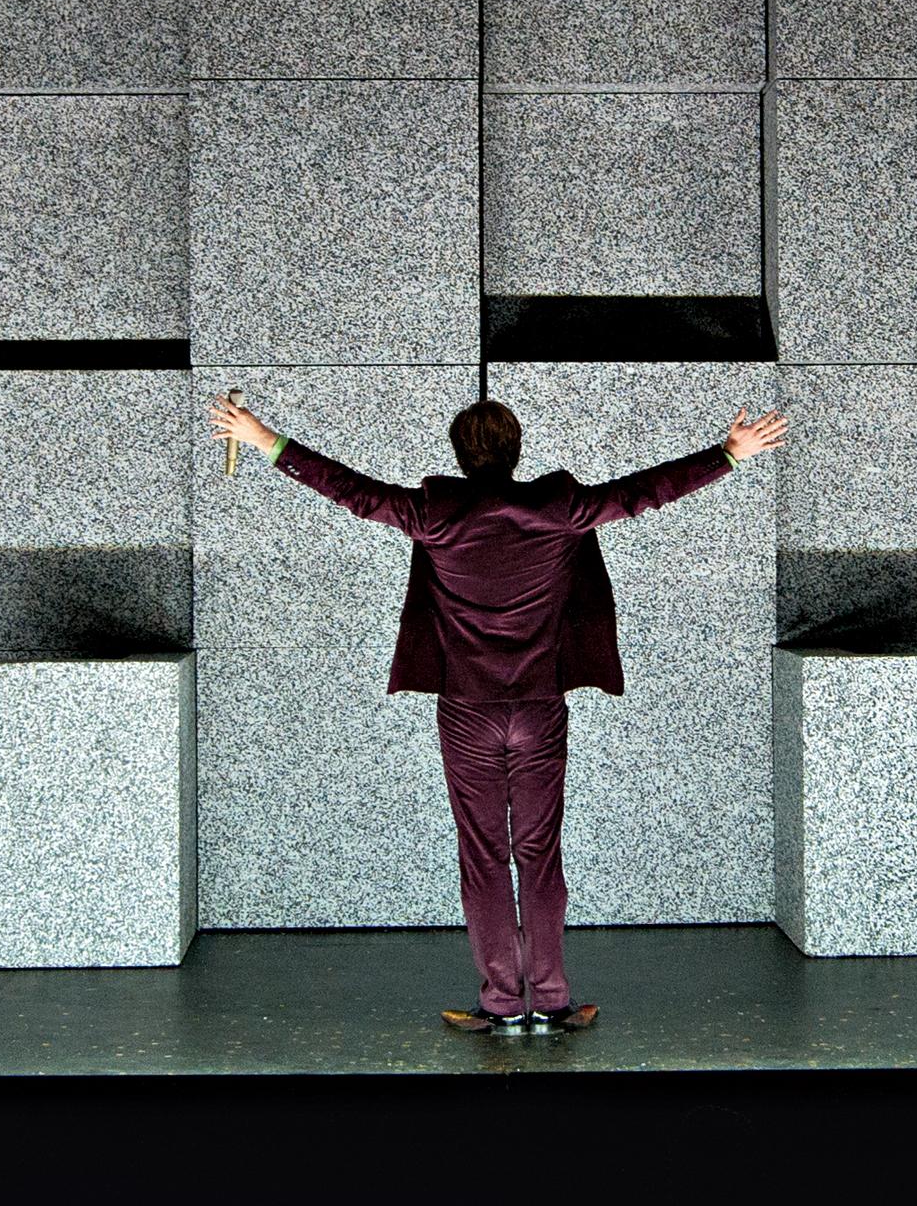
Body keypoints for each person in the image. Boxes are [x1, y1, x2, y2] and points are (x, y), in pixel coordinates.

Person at [207, 388, 784, 1036]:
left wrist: (264, 440)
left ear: (460, 455)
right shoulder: (559, 507)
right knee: (538, 852)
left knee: (484, 854)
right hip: (538, 710)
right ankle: (553, 999)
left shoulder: (435, 513)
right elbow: (642, 492)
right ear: (516, 452)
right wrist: (728, 455)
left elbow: (354, 491)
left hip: (467, 714)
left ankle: (503, 1003)